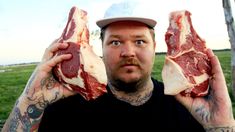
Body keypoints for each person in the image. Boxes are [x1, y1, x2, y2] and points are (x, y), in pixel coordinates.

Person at [2, 2, 235, 132]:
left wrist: (221, 125)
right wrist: (29, 101)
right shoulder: (64, 108)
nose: (128, 52)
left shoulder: (190, 110)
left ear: (155, 47)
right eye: (115, 42)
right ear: (99, 48)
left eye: (139, 41)